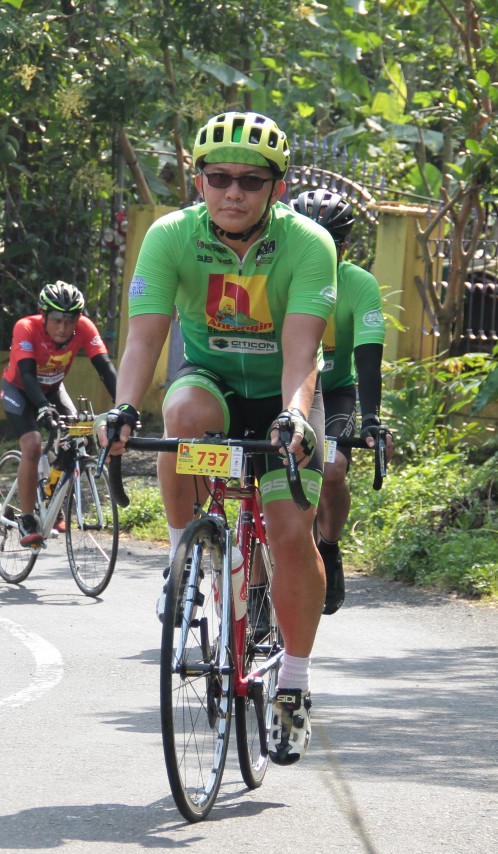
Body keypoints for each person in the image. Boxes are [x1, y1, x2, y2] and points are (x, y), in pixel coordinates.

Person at [99, 110, 338, 766]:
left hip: (284, 398)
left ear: (277, 188)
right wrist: (122, 409)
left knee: (289, 536)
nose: (233, 192)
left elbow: (301, 354)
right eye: (219, 178)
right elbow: (145, 338)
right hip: (212, 385)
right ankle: (186, 556)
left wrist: (294, 417)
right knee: (179, 414)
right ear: (199, 180)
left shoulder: (309, 243)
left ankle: (293, 683)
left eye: (251, 181)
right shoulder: (171, 235)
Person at [288, 188, 394, 615]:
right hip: (282, 384)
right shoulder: (277, 274)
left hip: (332, 391)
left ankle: (328, 547)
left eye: (326, 241)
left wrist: (371, 418)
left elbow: (368, 359)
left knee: (332, 470)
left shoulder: (358, 284)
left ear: (343, 248)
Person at [0, 280, 117, 548]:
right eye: (57, 320)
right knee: (32, 445)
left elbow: (105, 368)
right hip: (20, 389)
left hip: (53, 389)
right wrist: (42, 407)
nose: (63, 328)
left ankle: (52, 495)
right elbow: (27, 374)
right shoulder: (26, 327)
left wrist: (124, 405)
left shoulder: (84, 328)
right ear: (43, 315)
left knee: (80, 435)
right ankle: (26, 519)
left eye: (70, 320)